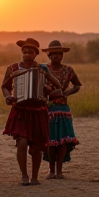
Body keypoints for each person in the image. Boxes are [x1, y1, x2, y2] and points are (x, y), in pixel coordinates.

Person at [1, 38, 61, 186]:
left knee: (36, 147)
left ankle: (34, 177)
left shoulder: (42, 69)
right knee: (21, 143)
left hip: (38, 110)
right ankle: (24, 176)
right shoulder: (14, 68)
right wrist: (8, 97)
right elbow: (4, 86)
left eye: (30, 52)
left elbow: (57, 85)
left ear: (36, 54)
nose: (27, 54)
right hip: (21, 110)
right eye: (25, 51)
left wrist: (48, 89)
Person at [41, 40, 81, 179]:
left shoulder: (68, 70)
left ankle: (59, 171)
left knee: (63, 140)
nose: (56, 56)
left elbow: (77, 85)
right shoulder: (43, 69)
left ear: (62, 55)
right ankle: (51, 170)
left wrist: (65, 93)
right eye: (53, 53)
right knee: (51, 141)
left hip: (63, 108)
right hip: (48, 108)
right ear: (49, 55)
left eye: (59, 53)